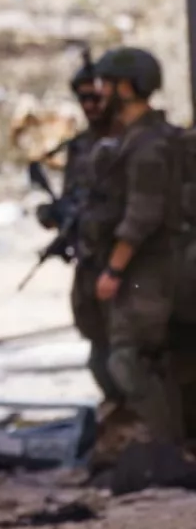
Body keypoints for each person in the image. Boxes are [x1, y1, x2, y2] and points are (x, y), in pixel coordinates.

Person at [81, 46, 182, 444]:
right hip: (142, 267)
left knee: (130, 360)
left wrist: (114, 269)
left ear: (126, 88)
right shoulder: (131, 139)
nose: (101, 93)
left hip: (150, 268)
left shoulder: (150, 145)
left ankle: (168, 449)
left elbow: (143, 215)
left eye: (107, 85)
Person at [36, 53, 120, 406]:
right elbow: (74, 198)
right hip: (90, 262)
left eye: (97, 97)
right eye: (83, 98)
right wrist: (56, 216)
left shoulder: (134, 143)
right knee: (98, 345)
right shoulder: (81, 146)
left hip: (126, 264)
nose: (90, 106)